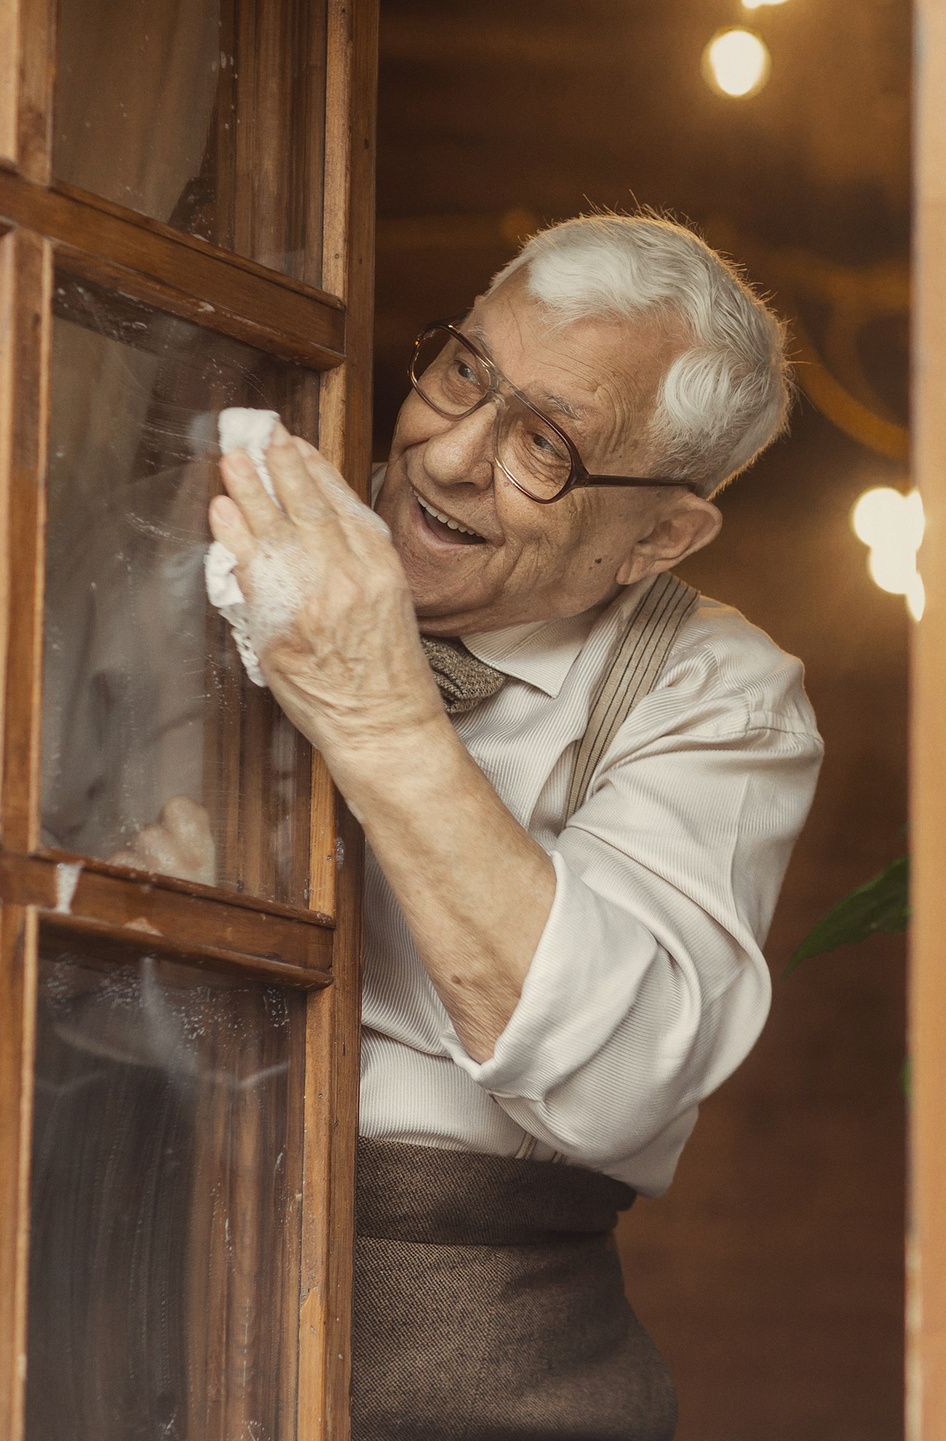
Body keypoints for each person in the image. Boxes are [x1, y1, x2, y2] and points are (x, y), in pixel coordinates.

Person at [120, 213, 821, 1440]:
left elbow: (615, 1080)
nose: (449, 456)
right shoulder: (242, 525)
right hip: (116, 1235)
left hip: (461, 1350)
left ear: (656, 535)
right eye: (462, 373)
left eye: (543, 444)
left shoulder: (718, 691)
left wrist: (380, 712)